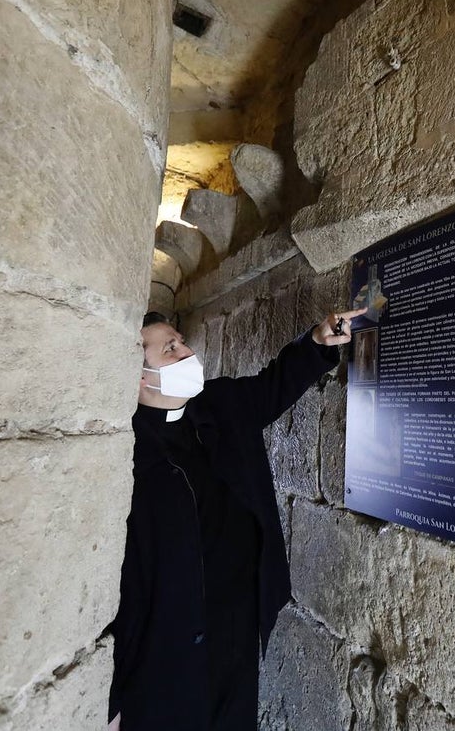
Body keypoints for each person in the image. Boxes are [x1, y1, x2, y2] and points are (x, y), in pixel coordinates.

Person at [108, 307, 365, 730]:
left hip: (235, 627)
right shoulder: (126, 452)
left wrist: (317, 342)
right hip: (166, 648)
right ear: (139, 377)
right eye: (170, 349)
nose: (187, 352)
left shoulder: (219, 405)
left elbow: (271, 387)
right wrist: (114, 695)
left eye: (181, 341)